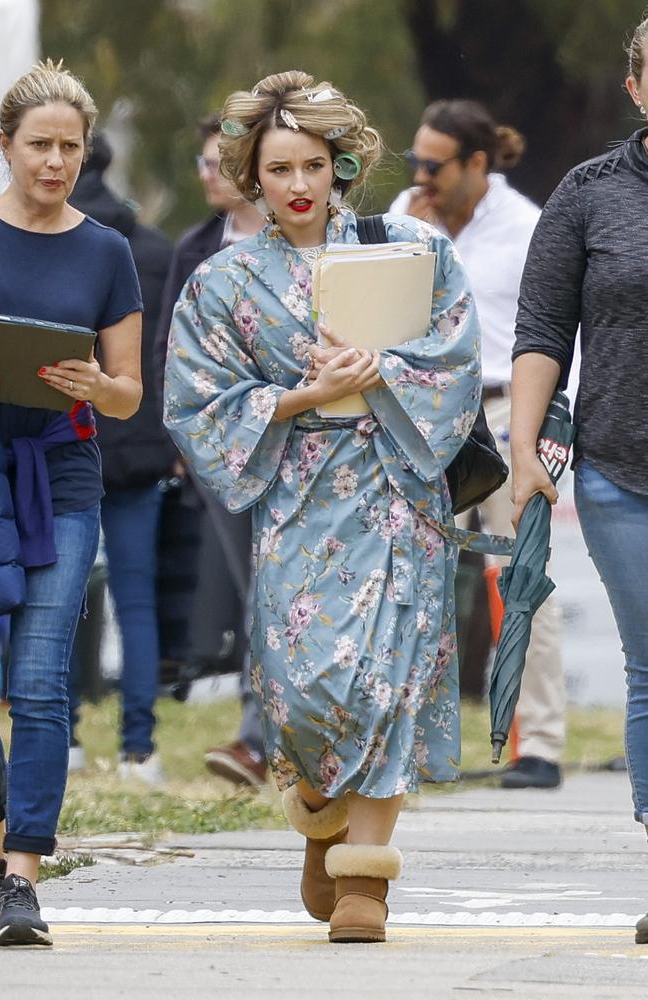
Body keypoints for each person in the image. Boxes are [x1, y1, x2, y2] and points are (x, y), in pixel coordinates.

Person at [164, 70, 482, 944]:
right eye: (277, 170)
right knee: (305, 684)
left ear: (340, 163)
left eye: (313, 164)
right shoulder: (223, 285)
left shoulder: (412, 250)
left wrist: (381, 371)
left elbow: (454, 358)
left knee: (389, 676)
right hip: (297, 493)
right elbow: (193, 404)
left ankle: (364, 885)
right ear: (249, 177)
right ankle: (319, 806)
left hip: (395, 485)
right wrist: (305, 394)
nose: (298, 185)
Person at [509, 11, 648, 945]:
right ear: (636, 85)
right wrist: (523, 451)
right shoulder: (589, 193)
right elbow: (541, 330)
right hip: (621, 471)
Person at [0, 60, 142, 945]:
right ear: (4, 146)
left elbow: (129, 395)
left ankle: (22, 876)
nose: (56, 162)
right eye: (40, 145)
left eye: (71, 147)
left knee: (42, 681)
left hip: (62, 472)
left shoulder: (107, 250)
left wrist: (95, 382)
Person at [391, 100, 566, 790]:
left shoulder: (527, 228)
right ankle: (409, 743)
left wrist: (546, 428)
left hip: (503, 409)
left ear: (476, 164)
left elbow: (557, 331)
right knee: (410, 577)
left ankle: (540, 743)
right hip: (418, 408)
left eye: (435, 165)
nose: (421, 175)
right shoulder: (408, 214)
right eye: (415, 162)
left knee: (523, 580)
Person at [156, 114, 265, 787]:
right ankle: (258, 738)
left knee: (293, 592)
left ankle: (302, 738)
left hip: (317, 442)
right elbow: (173, 355)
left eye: (220, 163)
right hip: (228, 451)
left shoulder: (321, 240)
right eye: (202, 164)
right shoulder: (194, 249)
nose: (209, 177)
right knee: (261, 590)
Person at [67, 131, 174, 785]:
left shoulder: (52, 240)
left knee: (63, 598)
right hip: (139, 443)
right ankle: (140, 748)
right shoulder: (155, 249)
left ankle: (69, 735)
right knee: (137, 600)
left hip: (65, 442)